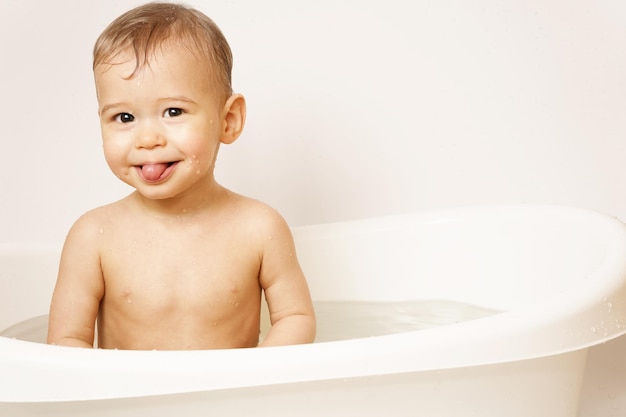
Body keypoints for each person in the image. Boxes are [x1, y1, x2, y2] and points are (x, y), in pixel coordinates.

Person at [47, 2, 316, 350]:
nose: (147, 140)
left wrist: (251, 381)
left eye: (173, 111)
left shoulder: (259, 228)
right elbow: (67, 342)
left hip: (232, 399)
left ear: (228, 120)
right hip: (132, 402)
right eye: (124, 118)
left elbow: (295, 318)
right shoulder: (93, 238)